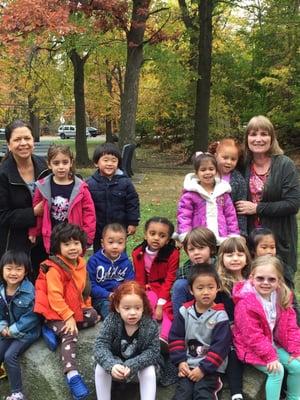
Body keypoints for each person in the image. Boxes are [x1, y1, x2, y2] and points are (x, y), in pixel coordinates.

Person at [34, 223, 99, 400]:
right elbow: (55, 297)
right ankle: (72, 375)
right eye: (67, 244)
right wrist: (69, 318)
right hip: (53, 310)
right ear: (58, 247)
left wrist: (86, 306)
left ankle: (54, 331)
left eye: (76, 243)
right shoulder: (54, 268)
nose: (72, 248)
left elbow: (83, 290)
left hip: (71, 308)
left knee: (93, 315)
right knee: (70, 333)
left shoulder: (80, 263)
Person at [235, 115, 300, 273]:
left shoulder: (284, 164)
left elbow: (293, 204)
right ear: (247, 138)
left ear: (272, 138)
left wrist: (257, 208)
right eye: (253, 134)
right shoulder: (242, 165)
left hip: (278, 239)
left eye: (264, 134)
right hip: (249, 240)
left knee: (280, 285)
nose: (258, 139)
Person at [233, 255, 300, 400]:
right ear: (251, 278)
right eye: (260, 278)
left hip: (271, 343)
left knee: (297, 366)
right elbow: (252, 336)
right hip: (250, 347)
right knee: (277, 371)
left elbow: (291, 326)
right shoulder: (245, 304)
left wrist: (296, 350)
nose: (265, 283)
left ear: (279, 281)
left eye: (271, 279)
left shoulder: (281, 295)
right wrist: (270, 357)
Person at [169, 263, 232, 400]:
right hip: (188, 364)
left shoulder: (220, 316)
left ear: (218, 288)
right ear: (191, 290)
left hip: (210, 368)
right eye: (200, 288)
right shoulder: (184, 311)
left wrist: (203, 369)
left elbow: (220, 347)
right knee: (182, 395)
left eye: (211, 287)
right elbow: (176, 338)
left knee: (203, 393)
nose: (206, 292)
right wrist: (180, 362)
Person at [94, 281, 160, 400]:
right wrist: (111, 365)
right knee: (100, 368)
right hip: (115, 367)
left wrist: (133, 364)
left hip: (139, 366)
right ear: (117, 307)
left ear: (143, 307)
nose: (132, 313)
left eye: (137, 308)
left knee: (149, 371)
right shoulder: (112, 320)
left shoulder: (150, 324)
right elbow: (100, 345)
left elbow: (153, 352)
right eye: (127, 308)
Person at [0, 120, 48, 280]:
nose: (23, 143)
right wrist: (34, 212)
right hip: (15, 243)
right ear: (8, 144)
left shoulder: (46, 167)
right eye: (17, 139)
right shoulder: (3, 174)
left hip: (45, 239)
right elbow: (3, 216)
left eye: (27, 138)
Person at [28, 144, 96, 254]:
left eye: (65, 162)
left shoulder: (81, 188)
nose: (61, 167)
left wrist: (87, 236)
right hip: (52, 237)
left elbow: (89, 213)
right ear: (49, 164)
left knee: (72, 269)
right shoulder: (42, 187)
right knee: (55, 268)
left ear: (71, 163)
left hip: (74, 238)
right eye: (56, 163)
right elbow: (38, 212)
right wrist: (34, 231)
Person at [132, 217, 179, 346]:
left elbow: (170, 279)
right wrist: (140, 295)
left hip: (165, 289)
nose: (156, 238)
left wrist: (160, 304)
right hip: (147, 288)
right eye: (152, 234)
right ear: (146, 235)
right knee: (147, 302)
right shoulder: (137, 252)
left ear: (168, 240)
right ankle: (147, 334)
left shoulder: (172, 254)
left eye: (162, 235)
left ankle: (164, 338)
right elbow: (140, 279)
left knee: (166, 310)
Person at [0, 251, 41, 400]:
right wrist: (3, 326)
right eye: (9, 268)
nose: (13, 273)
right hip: (8, 331)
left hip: (27, 332)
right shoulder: (1, 290)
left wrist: (13, 330)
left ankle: (17, 393)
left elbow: (33, 317)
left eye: (18, 269)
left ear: (26, 271)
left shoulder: (29, 291)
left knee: (10, 356)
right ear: (2, 269)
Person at [176, 152, 240, 244]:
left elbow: (230, 216)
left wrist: (233, 234)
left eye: (211, 169)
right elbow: (184, 215)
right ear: (197, 173)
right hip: (199, 239)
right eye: (203, 170)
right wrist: (186, 234)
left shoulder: (223, 193)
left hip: (221, 238)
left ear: (216, 171)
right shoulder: (190, 195)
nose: (207, 173)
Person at [87, 143, 140, 252]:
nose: (110, 164)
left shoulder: (125, 182)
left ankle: (120, 268)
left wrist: (133, 222)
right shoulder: (90, 184)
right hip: (99, 229)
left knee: (119, 252)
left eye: (113, 160)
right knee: (99, 254)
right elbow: (87, 207)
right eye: (105, 160)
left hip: (119, 228)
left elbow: (132, 203)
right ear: (96, 163)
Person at [216, 237, 251, 400]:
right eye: (230, 255)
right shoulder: (220, 285)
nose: (235, 258)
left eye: (239, 254)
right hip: (231, 327)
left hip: (253, 328)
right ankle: (236, 393)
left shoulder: (253, 280)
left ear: (247, 257)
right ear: (222, 258)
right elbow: (219, 310)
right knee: (233, 352)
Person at [87, 223, 135, 319]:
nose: (115, 246)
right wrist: (107, 294)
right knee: (107, 307)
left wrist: (121, 295)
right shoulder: (94, 261)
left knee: (133, 305)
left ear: (125, 243)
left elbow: (130, 283)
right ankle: (114, 325)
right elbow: (90, 285)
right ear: (102, 243)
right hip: (101, 298)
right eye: (111, 242)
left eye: (120, 243)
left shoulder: (126, 262)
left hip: (121, 296)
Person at [171, 227, 217, 318]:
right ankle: (180, 321)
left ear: (211, 249)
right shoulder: (186, 269)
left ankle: (230, 322)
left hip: (217, 302)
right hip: (194, 301)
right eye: (191, 249)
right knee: (179, 285)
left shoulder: (219, 265)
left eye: (201, 248)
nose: (196, 253)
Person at [209, 139, 247, 236]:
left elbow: (241, 209)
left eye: (233, 159)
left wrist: (241, 233)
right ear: (215, 156)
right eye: (225, 158)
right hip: (204, 227)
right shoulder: (206, 175)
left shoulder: (239, 181)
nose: (229, 162)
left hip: (227, 229)